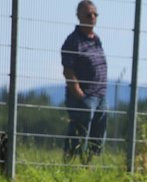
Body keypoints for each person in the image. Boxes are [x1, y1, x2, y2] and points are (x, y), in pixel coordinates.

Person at [61, 1, 108, 162]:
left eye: (95, 14)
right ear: (79, 16)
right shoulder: (73, 41)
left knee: (98, 132)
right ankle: (71, 162)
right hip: (85, 96)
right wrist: (80, 95)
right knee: (80, 131)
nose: (93, 17)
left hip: (100, 95)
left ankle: (89, 164)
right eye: (88, 15)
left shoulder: (96, 40)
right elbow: (68, 70)